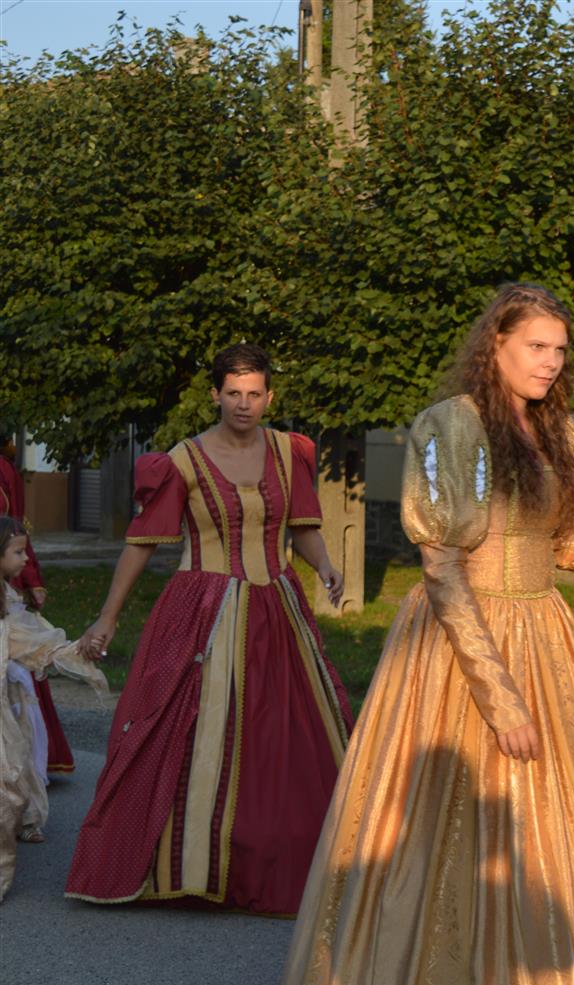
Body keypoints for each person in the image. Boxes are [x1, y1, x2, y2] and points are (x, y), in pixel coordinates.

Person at [276, 284, 574, 985]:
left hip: (544, 636)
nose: (551, 362)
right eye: (536, 346)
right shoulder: (450, 427)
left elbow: (560, 542)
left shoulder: (559, 432)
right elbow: (442, 567)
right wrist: (499, 696)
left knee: (569, 832)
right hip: (461, 644)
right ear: (495, 344)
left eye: (560, 349)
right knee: (448, 837)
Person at [64, 344, 354, 914]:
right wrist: (107, 616)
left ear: (269, 396)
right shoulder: (182, 460)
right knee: (184, 727)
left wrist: (324, 564)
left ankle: (270, 858)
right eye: (233, 393)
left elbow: (302, 527)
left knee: (281, 735)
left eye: (254, 394)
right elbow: (142, 543)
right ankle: (187, 863)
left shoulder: (288, 451)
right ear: (215, 395)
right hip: (203, 607)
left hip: (278, 608)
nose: (244, 404)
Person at [0, 516, 107, 902]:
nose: (26, 559)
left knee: (10, 781)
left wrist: (74, 650)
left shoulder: (8, 600)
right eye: (18, 552)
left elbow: (33, 640)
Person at [0, 450, 74, 776]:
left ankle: (22, 765)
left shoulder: (3, 470)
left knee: (17, 671)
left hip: (4, 576)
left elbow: (16, 529)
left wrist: (31, 578)